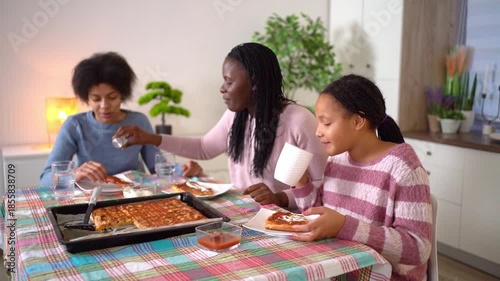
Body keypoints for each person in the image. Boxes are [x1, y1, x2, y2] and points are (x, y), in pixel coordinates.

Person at [114, 42, 328, 210]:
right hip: (245, 216)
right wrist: (148, 138)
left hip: (288, 221)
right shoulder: (236, 117)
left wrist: (280, 198)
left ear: (254, 83)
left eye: (229, 82)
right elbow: (204, 148)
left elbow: (322, 185)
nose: (222, 89)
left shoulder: (299, 121)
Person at [290, 74, 432, 280]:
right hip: (338, 269)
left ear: (358, 121)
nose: (318, 132)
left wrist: (344, 226)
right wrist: (301, 182)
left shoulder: (402, 166)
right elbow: (319, 218)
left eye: (326, 123)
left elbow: (417, 248)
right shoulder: (337, 160)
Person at [40, 52, 160, 186]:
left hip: (132, 197)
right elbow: (45, 179)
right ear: (86, 98)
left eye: (112, 97)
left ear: (122, 95)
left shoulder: (139, 121)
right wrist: (74, 174)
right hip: (91, 199)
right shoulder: (75, 125)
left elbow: (159, 168)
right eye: (96, 99)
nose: (104, 106)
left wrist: (185, 169)